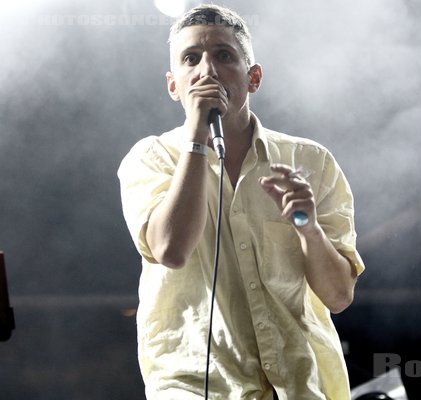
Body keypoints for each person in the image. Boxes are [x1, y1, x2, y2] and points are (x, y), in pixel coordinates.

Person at [118, 4, 365, 399]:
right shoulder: (151, 159)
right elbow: (170, 249)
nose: (207, 71)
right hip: (196, 388)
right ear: (173, 85)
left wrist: (309, 229)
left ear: (254, 77)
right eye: (191, 59)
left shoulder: (310, 162)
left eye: (223, 55)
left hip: (302, 386)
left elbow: (338, 297)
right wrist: (197, 137)